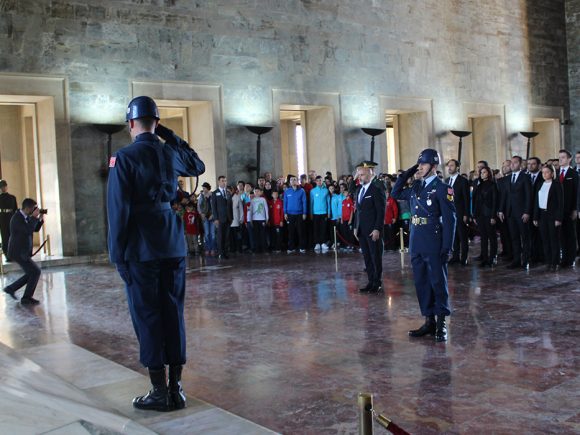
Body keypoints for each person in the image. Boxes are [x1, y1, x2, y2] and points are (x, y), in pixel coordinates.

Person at [107, 96, 205, 412]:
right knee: (172, 312)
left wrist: (117, 255)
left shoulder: (122, 157)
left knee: (147, 315)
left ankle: (158, 390)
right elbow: (197, 165)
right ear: (157, 123)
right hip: (172, 243)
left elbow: (117, 211)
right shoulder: (169, 153)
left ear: (131, 123)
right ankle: (176, 389)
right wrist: (171, 137)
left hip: (140, 247)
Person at [391, 149, 456, 342]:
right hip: (417, 241)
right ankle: (429, 321)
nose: (420, 167)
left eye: (424, 164)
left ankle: (442, 323)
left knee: (438, 282)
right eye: (419, 164)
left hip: (434, 242)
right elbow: (395, 193)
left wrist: (448, 246)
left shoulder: (443, 188)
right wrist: (410, 171)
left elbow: (450, 219)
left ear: (434, 166)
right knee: (421, 283)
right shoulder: (417, 186)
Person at [3, 198, 44, 305]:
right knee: (35, 272)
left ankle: (12, 289)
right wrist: (34, 218)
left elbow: (34, 229)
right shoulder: (17, 218)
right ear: (27, 208)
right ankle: (25, 297)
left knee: (32, 272)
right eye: (33, 208)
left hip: (22, 251)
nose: (34, 210)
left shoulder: (25, 217)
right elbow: (27, 230)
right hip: (18, 252)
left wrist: (39, 219)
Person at [353, 161, 386, 293]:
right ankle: (370, 281)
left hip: (373, 230)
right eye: (359, 175)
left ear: (370, 174)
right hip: (362, 230)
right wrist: (356, 227)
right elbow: (358, 211)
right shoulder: (360, 190)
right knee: (367, 257)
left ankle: (377, 282)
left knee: (375, 257)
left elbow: (381, 211)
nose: (359, 177)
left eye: (362, 174)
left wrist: (377, 228)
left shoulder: (376, 189)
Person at [498, 156, 532, 270]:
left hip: (522, 212)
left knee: (525, 237)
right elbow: (504, 196)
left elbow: (528, 196)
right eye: (511, 163)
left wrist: (527, 212)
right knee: (514, 237)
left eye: (515, 163)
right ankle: (516, 260)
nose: (512, 165)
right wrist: (501, 210)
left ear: (520, 164)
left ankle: (526, 260)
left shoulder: (525, 177)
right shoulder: (508, 179)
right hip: (510, 213)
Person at [533, 164, 563, 271]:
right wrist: (535, 217)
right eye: (543, 172)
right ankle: (549, 261)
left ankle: (555, 263)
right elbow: (537, 202)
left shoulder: (556, 184)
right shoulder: (540, 184)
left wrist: (558, 218)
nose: (544, 174)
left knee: (554, 240)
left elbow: (560, 203)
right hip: (542, 216)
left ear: (552, 173)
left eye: (547, 172)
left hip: (552, 216)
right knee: (545, 240)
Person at [472, 166, 498, 267]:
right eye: (481, 172)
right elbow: (476, 201)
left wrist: (493, 216)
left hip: (489, 214)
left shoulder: (493, 185)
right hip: (480, 215)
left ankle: (492, 258)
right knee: (483, 237)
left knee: (492, 237)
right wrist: (475, 215)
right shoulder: (479, 186)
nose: (482, 174)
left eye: (484, 172)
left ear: (489, 173)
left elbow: (495, 201)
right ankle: (485, 258)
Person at [556, 149, 578, 268]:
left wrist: (575, 209)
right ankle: (564, 257)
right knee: (561, 235)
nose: (560, 159)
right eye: (559, 157)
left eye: (563, 157)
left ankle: (571, 258)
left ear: (569, 159)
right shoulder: (556, 173)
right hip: (558, 210)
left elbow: (577, 192)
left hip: (569, 209)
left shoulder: (574, 174)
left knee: (570, 234)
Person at [445, 159, 470, 265]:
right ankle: (455, 256)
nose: (449, 168)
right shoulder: (446, 181)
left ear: (457, 167)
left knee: (462, 236)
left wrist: (466, 214)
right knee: (453, 236)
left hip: (460, 212)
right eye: (448, 166)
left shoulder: (463, 181)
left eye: (451, 165)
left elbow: (466, 199)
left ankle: (464, 258)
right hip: (450, 214)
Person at [284, 175, 307, 253]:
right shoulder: (287, 191)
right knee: (291, 231)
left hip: (300, 214)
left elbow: (304, 202)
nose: (293, 181)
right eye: (291, 180)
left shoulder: (302, 191)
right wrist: (285, 213)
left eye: (294, 180)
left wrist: (304, 213)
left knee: (300, 231)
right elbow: (285, 203)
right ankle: (291, 247)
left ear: (297, 181)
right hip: (290, 214)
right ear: (289, 182)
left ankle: (302, 247)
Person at [211, 175, 233, 259]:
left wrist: (232, 217)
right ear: (219, 182)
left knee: (227, 236)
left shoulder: (228, 193)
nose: (224, 182)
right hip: (219, 218)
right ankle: (220, 253)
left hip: (228, 218)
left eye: (225, 180)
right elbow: (214, 207)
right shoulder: (214, 193)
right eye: (222, 181)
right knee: (220, 236)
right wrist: (216, 218)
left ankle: (226, 252)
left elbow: (230, 206)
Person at [310, 176, 331, 252]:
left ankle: (323, 243)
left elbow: (328, 202)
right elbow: (311, 203)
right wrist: (311, 213)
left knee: (323, 228)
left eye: (320, 180)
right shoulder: (312, 191)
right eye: (318, 180)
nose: (319, 182)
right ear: (315, 181)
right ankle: (317, 243)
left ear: (322, 181)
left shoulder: (326, 190)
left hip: (324, 212)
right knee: (316, 228)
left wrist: (329, 212)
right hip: (315, 213)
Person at [0, 180, 17, 262]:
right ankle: (7, 255)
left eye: (4, 186)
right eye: (2, 186)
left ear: (7, 186)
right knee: (4, 236)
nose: (3, 188)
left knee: (12, 236)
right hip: (2, 218)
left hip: (11, 217)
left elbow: (15, 209)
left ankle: (13, 254)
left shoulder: (12, 198)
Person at [249, 187, 268, 253]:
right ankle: (257, 249)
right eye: (255, 191)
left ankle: (265, 249)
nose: (256, 193)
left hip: (262, 219)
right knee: (256, 235)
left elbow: (266, 209)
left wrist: (267, 218)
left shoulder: (263, 199)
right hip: (254, 220)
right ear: (254, 192)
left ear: (260, 192)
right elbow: (250, 211)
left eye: (258, 191)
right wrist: (250, 219)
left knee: (263, 234)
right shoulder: (252, 200)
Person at [198, 182, 215, 256]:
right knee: (207, 234)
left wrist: (213, 214)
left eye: (204, 188)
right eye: (203, 188)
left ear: (208, 188)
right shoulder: (201, 196)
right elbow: (198, 206)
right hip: (205, 216)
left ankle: (213, 249)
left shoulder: (213, 195)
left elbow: (215, 206)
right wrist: (201, 214)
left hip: (212, 216)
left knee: (213, 234)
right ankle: (208, 249)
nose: (203, 189)